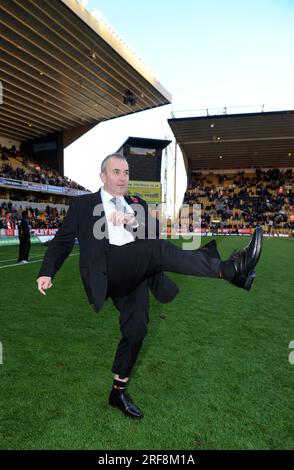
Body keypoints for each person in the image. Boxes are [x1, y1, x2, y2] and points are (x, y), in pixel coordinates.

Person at [37, 153, 263, 420]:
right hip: (108, 271)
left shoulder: (136, 202)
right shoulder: (84, 204)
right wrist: (47, 272)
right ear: (103, 176)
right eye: (117, 171)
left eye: (126, 172)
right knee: (155, 250)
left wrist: (132, 221)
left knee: (136, 331)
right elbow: (63, 241)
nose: (123, 177)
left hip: (136, 273)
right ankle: (229, 270)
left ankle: (117, 393)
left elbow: (152, 234)